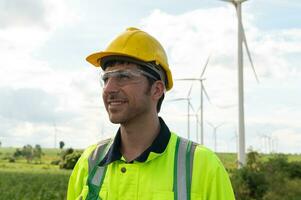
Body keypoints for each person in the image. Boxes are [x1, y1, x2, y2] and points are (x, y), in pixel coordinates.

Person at [67, 27, 235, 200]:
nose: (109, 88)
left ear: (156, 90)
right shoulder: (89, 162)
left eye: (123, 76)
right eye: (105, 79)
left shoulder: (203, 166)